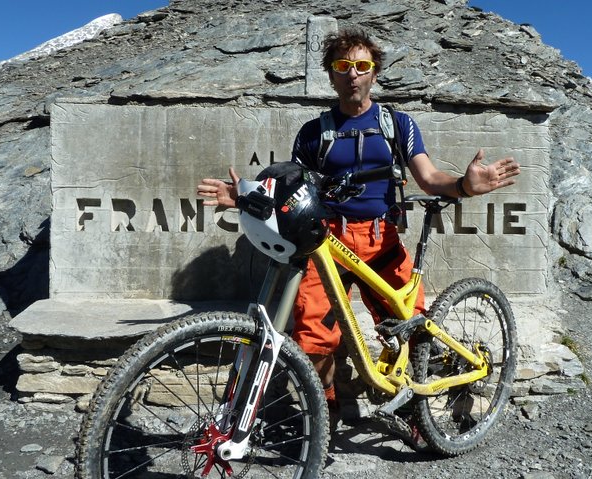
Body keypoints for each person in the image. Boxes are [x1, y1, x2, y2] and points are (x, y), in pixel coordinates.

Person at [198, 29, 520, 414]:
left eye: (362, 65)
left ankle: (415, 411)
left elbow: (430, 179)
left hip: (381, 241)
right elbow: (293, 191)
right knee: (313, 339)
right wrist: (243, 198)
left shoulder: (398, 125)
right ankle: (324, 414)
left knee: (412, 333)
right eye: (342, 66)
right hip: (325, 244)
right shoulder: (313, 133)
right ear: (331, 75)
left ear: (374, 73)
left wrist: (465, 186)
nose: (353, 73)